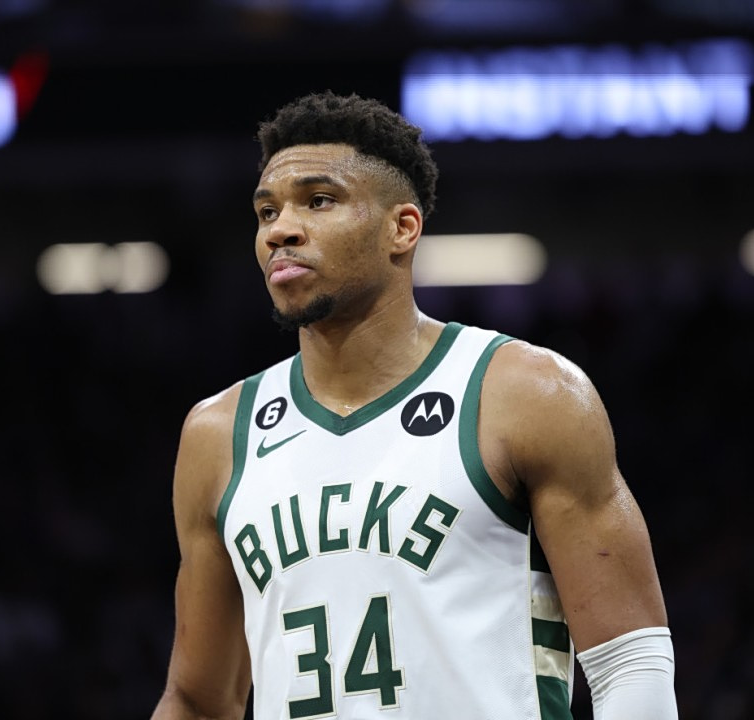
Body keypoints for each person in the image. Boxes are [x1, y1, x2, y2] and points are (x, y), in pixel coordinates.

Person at [150, 90, 677, 719]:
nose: (280, 230)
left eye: (319, 201)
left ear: (402, 228)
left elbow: (630, 664)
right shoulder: (218, 434)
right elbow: (197, 700)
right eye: (267, 211)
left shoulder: (525, 393)